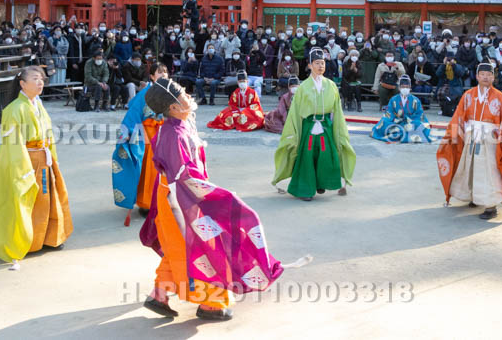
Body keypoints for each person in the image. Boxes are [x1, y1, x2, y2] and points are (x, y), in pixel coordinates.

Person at [139, 77, 286, 321]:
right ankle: (212, 304)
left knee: (179, 247)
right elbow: (183, 177)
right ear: (173, 107)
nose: (188, 95)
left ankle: (160, 293)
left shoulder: (177, 126)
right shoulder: (173, 134)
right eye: (183, 94)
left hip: (176, 197)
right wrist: (215, 197)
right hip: (181, 200)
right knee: (206, 246)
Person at [0, 66, 73, 270]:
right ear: (22, 84)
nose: (40, 82)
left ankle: (49, 238)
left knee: (49, 200)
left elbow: (48, 134)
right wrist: (23, 170)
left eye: (41, 79)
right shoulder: (13, 110)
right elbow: (13, 143)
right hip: (27, 161)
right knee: (32, 202)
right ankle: (30, 241)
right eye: (35, 78)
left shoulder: (38, 105)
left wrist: (53, 157)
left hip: (44, 159)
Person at [436, 63, 502, 220]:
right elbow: (459, 116)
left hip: (490, 139)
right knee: (469, 167)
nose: (485, 77)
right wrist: (453, 134)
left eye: (488, 74)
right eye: (482, 74)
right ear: (477, 76)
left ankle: (491, 206)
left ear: (493, 77)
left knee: (489, 171)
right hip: (471, 136)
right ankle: (474, 197)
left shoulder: (500, 97)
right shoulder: (468, 95)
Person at [272, 48, 356, 201]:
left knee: (326, 155)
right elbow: (296, 112)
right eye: (317, 63)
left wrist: (340, 130)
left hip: (326, 126)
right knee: (307, 156)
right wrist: (293, 132)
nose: (320, 66)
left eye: (322, 63)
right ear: (310, 65)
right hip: (309, 126)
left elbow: (337, 110)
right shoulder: (303, 87)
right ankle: (305, 189)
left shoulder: (331, 85)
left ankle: (321, 182)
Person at [113, 65, 167, 221]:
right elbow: (133, 114)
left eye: (165, 72)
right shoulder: (144, 94)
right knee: (149, 170)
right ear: (152, 76)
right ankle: (147, 203)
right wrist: (128, 132)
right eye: (160, 72)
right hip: (148, 136)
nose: (163, 74)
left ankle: (163, 201)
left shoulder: (169, 93)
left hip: (164, 135)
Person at [371, 74, 431, 143]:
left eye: (407, 87)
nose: (405, 89)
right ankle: (405, 133)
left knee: (419, 124)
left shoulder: (415, 100)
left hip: (410, 121)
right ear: (399, 88)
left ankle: (400, 132)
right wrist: (394, 119)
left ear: (410, 88)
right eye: (403, 87)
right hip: (396, 121)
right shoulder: (393, 99)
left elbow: (419, 114)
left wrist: (411, 120)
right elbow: (389, 112)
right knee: (384, 121)